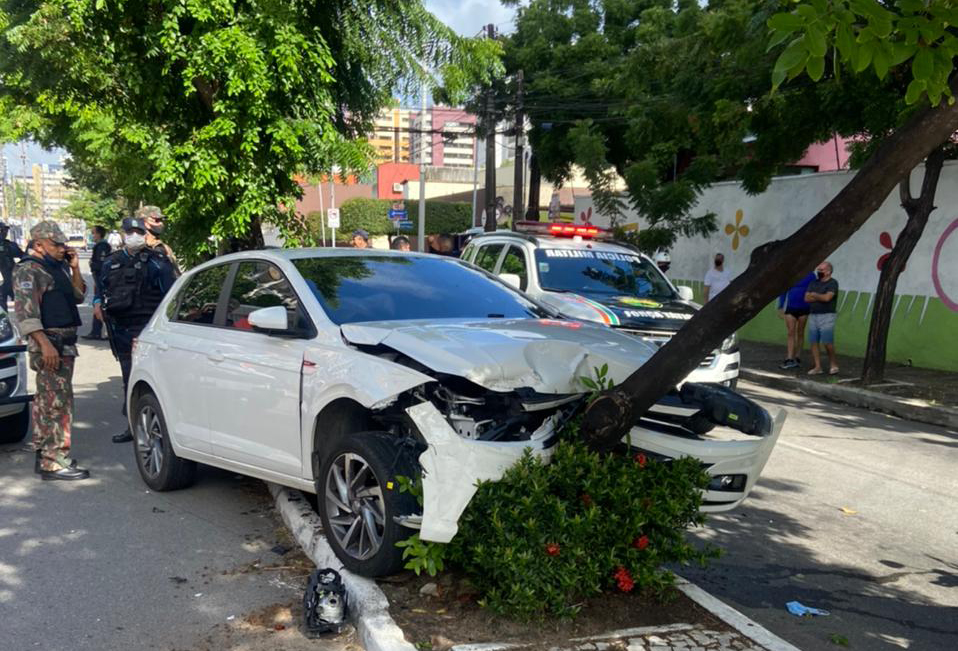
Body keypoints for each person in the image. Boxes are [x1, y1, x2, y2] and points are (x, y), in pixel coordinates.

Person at [14, 221, 90, 480]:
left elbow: (78, 296)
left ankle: (47, 453)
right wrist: (45, 345)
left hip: (63, 344)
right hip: (50, 346)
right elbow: (26, 315)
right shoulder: (28, 270)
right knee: (58, 404)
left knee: (49, 401)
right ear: (39, 244)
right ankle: (53, 461)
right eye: (56, 244)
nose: (62, 248)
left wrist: (75, 267)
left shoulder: (56, 268)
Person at [94, 217, 177, 443]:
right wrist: (96, 303)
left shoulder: (158, 262)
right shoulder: (111, 262)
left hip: (148, 332)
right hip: (120, 330)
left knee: (152, 381)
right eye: (129, 231)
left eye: (138, 231)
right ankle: (134, 426)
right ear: (123, 234)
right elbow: (101, 290)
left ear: (145, 233)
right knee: (129, 379)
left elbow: (170, 299)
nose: (133, 235)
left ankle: (159, 429)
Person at [804, 261, 840, 376]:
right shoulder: (813, 283)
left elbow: (827, 298)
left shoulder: (833, 283)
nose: (819, 272)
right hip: (813, 314)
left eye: (821, 270)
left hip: (827, 315)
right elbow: (806, 298)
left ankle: (833, 364)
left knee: (827, 342)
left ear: (828, 271)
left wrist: (814, 295)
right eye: (818, 270)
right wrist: (819, 296)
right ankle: (817, 366)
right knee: (813, 342)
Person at [777, 271, 816, 369]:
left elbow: (814, 291)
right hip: (791, 308)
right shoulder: (792, 274)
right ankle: (789, 358)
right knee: (790, 332)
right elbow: (784, 291)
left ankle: (797, 356)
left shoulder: (811, 275)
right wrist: (781, 306)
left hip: (805, 308)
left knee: (800, 332)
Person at [82, 226, 112, 340]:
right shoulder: (100, 245)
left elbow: (101, 263)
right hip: (98, 278)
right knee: (97, 303)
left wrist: (92, 264)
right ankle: (96, 331)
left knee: (100, 303)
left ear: (99, 234)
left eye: (93, 233)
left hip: (101, 278)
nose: (92, 236)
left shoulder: (102, 246)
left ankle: (102, 331)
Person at [137, 205, 180, 276]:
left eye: (161, 220)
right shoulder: (135, 248)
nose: (161, 223)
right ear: (145, 222)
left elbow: (175, 275)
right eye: (157, 220)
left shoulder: (164, 248)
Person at [0, 221, 25, 306]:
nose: (4, 232)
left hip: (12, 280)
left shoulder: (10, 245)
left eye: (5, 230)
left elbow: (23, 257)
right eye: (2, 230)